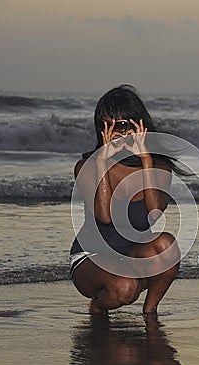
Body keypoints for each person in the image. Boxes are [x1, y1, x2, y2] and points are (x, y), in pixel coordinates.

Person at [70, 85, 185, 315]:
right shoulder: (87, 166)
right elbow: (104, 215)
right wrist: (102, 161)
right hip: (91, 258)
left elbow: (155, 213)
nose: (119, 133)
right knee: (125, 287)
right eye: (111, 125)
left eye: (124, 126)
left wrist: (145, 160)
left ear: (139, 126)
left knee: (167, 245)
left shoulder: (158, 168)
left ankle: (150, 311)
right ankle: (97, 306)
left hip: (132, 254)